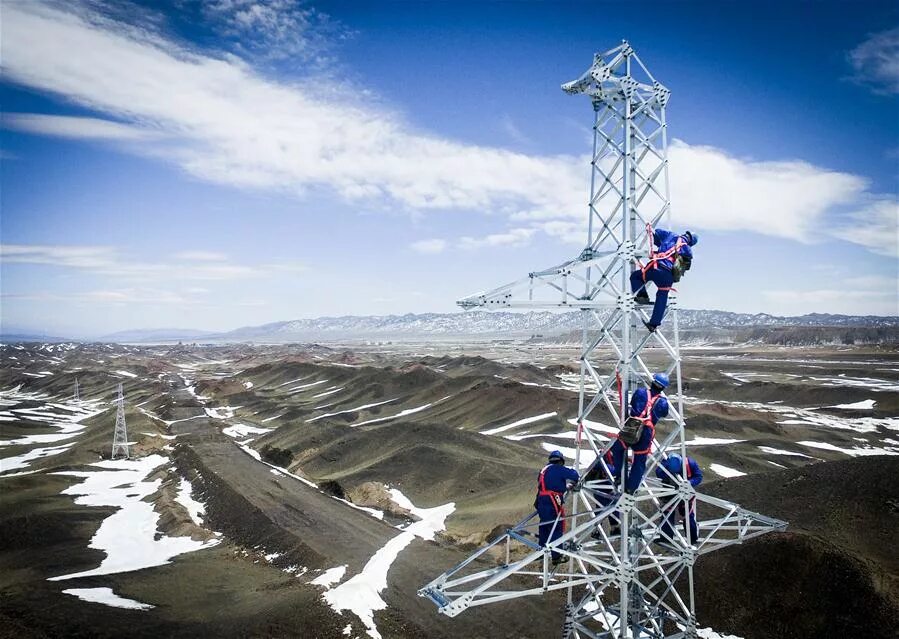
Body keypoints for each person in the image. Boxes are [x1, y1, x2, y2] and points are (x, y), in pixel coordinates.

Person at [609, 373, 670, 494]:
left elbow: (633, 403)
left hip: (632, 426)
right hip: (646, 432)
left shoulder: (640, 392)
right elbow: (664, 413)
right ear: (663, 388)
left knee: (617, 448)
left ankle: (620, 476)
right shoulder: (663, 402)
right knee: (639, 461)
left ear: (652, 382)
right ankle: (631, 487)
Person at [631, 229, 698, 332]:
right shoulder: (688, 250)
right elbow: (686, 267)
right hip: (668, 275)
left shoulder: (671, 235)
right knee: (662, 296)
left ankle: (642, 295)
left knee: (636, 277)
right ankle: (653, 324)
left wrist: (660, 245)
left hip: (655, 266)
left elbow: (656, 232)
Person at [535, 450, 580, 564]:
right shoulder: (558, 468)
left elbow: (546, 484)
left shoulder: (544, 470)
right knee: (556, 527)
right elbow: (574, 475)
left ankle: (541, 549)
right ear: (560, 461)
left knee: (544, 525)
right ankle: (556, 555)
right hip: (552, 500)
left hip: (541, 499)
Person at [655, 454, 703, 544]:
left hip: (685, 492)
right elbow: (659, 473)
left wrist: (689, 482)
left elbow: (698, 477)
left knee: (687, 514)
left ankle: (692, 539)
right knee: (667, 514)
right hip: (669, 491)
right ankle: (666, 538)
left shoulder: (690, 463)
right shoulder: (665, 464)